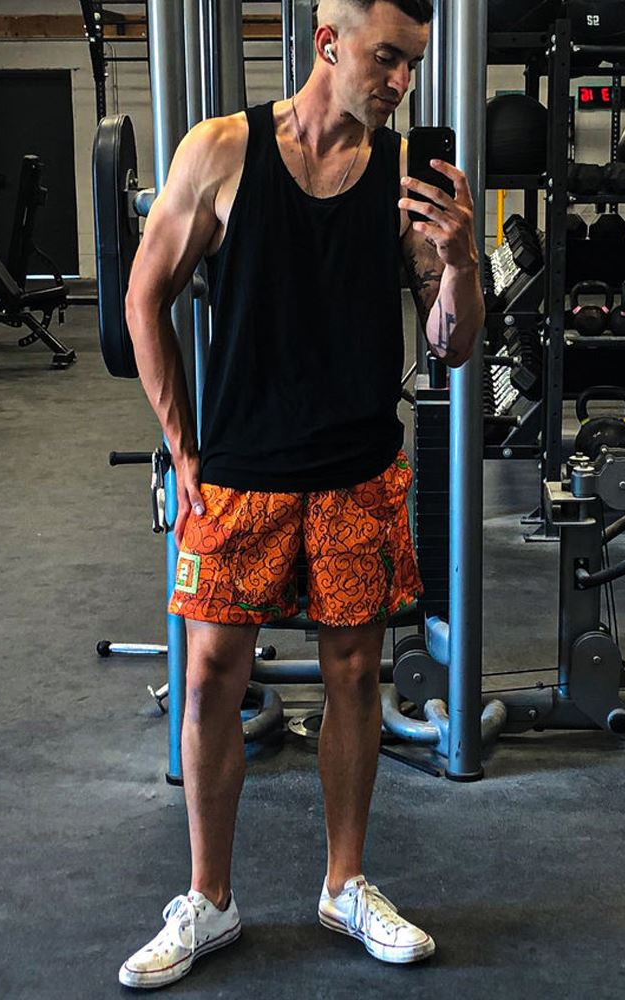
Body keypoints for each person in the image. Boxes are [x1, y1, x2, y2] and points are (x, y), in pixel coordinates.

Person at [118, 0, 484, 988]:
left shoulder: (408, 178)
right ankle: (208, 898)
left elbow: (450, 346)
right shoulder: (222, 151)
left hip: (357, 470)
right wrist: (181, 448)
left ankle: (345, 884)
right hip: (239, 471)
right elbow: (144, 295)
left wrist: (460, 261)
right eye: (388, 59)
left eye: (412, 64)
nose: (402, 82)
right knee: (209, 680)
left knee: (356, 676)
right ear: (328, 44)